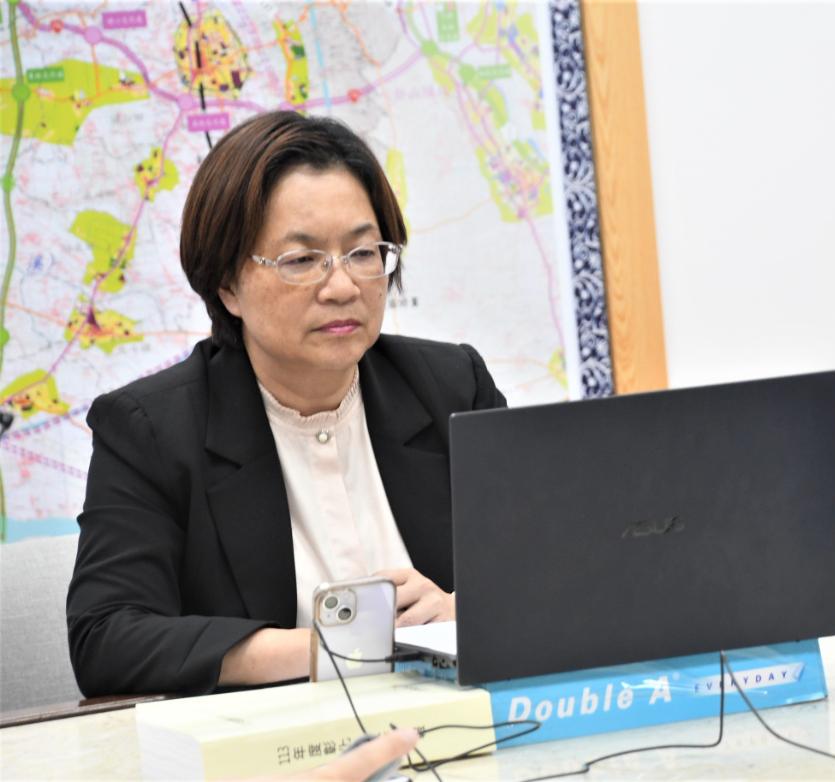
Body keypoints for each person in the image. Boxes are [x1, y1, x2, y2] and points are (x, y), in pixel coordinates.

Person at [66, 111, 506, 698]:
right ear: (227, 285)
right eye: (302, 261)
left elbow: (549, 567)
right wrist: (342, 645)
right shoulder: (151, 431)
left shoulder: (452, 387)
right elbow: (107, 639)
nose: (343, 287)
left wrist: (463, 613)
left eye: (363, 252)